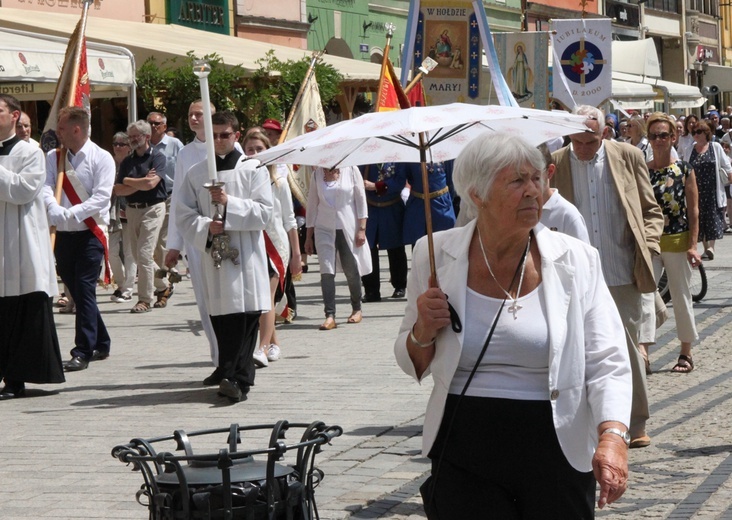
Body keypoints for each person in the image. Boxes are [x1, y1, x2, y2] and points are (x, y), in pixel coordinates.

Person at [395, 131, 631, 518]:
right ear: (477, 195)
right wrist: (422, 329)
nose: (533, 191)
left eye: (536, 178)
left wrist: (613, 436)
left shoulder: (576, 260)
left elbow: (608, 358)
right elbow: (413, 364)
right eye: (517, 181)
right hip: (464, 441)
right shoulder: (435, 255)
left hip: (556, 440)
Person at [552, 105, 663, 449]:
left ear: (604, 134)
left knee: (626, 349)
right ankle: (588, 421)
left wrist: (650, 245)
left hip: (620, 269)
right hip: (574, 275)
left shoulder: (627, 156)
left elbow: (650, 209)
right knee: (577, 349)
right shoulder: (557, 162)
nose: (584, 148)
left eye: (591, 141)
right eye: (578, 142)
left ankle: (635, 420)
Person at [176, 111, 272, 403]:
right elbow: (182, 214)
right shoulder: (197, 173)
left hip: (247, 257)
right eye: (214, 135)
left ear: (236, 136)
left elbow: (265, 213)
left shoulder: (253, 169)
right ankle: (229, 373)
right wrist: (207, 227)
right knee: (224, 318)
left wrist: (230, 205)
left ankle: (238, 379)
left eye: (225, 135)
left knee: (246, 318)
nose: (218, 141)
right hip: (216, 257)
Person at [0, 94, 65, 399]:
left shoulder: (31, 152)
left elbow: (23, 191)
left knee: (21, 310)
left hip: (21, 244)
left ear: (15, 116)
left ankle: (16, 378)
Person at [43, 106, 115, 372]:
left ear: (76, 128)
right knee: (77, 289)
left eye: (61, 127)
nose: (57, 131)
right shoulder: (55, 156)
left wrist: (70, 212)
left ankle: (82, 350)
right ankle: (102, 341)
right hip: (63, 234)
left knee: (84, 290)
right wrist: (52, 208)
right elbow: (47, 186)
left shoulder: (102, 157)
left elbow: (101, 197)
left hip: (90, 234)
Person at [645, 112, 702, 373]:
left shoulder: (684, 170)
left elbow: (693, 210)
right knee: (644, 296)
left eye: (664, 135)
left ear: (674, 137)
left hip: (678, 241)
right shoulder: (643, 171)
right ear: (649, 138)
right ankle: (643, 350)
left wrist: (693, 245)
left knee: (680, 296)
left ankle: (685, 352)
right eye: (654, 135)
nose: (659, 140)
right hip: (650, 243)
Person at [241, 131, 301, 367]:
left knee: (265, 297)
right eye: (250, 149)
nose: (254, 154)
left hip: (275, 247)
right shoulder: (241, 182)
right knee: (257, 298)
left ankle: (262, 348)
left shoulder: (279, 182)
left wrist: (297, 255)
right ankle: (274, 342)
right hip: (251, 246)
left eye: (259, 149)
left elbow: (289, 220)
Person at [305, 165, 371, 330]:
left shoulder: (351, 170)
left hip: (348, 226)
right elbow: (312, 205)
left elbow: (361, 199)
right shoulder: (317, 175)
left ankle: (356, 308)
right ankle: (329, 315)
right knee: (326, 271)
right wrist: (308, 236)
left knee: (351, 269)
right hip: (323, 228)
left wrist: (362, 228)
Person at [113, 120, 168, 313]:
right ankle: (163, 286)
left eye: (137, 135)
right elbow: (118, 190)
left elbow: (151, 185)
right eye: (131, 136)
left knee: (144, 254)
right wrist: (139, 181)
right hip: (132, 209)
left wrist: (129, 181)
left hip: (153, 208)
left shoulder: (158, 157)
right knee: (138, 256)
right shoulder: (128, 161)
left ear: (146, 136)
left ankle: (144, 299)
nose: (133, 139)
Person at [147, 111, 183, 307]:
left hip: (169, 196)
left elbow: (184, 168)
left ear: (164, 126)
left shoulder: (175, 145)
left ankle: (164, 282)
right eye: (150, 123)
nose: (153, 126)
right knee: (148, 246)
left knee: (162, 241)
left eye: (157, 124)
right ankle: (164, 280)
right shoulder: (144, 146)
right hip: (149, 198)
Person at [681, 120, 732, 260]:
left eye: (698, 132)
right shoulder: (689, 150)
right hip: (695, 189)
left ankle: (711, 247)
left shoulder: (715, 147)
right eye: (694, 132)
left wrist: (729, 174)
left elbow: (726, 164)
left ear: (706, 133)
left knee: (712, 217)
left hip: (712, 189)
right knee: (698, 217)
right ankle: (705, 247)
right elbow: (685, 168)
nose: (695, 135)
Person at [360, 162, 408, 302]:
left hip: (392, 207)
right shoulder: (366, 159)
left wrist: (376, 186)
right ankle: (371, 290)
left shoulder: (397, 158)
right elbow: (358, 177)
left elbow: (400, 181)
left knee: (396, 248)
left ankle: (400, 285)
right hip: (370, 209)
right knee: (368, 250)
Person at [536, 144, 589, 242]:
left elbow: (582, 256)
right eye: (519, 177)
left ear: (550, 172)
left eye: (535, 177)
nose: (528, 185)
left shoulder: (567, 215)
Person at [401, 161, 456, 246]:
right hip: (418, 206)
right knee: (418, 243)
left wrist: (445, 200)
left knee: (444, 243)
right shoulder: (410, 155)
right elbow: (409, 177)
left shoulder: (444, 154)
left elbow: (451, 180)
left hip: (442, 206)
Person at [109, 132, 135, 303]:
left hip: (130, 210)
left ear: (129, 147)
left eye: (122, 144)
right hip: (111, 212)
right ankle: (120, 284)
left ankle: (128, 288)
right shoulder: (107, 162)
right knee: (111, 252)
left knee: (129, 252)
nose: (118, 147)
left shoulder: (133, 163)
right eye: (115, 143)